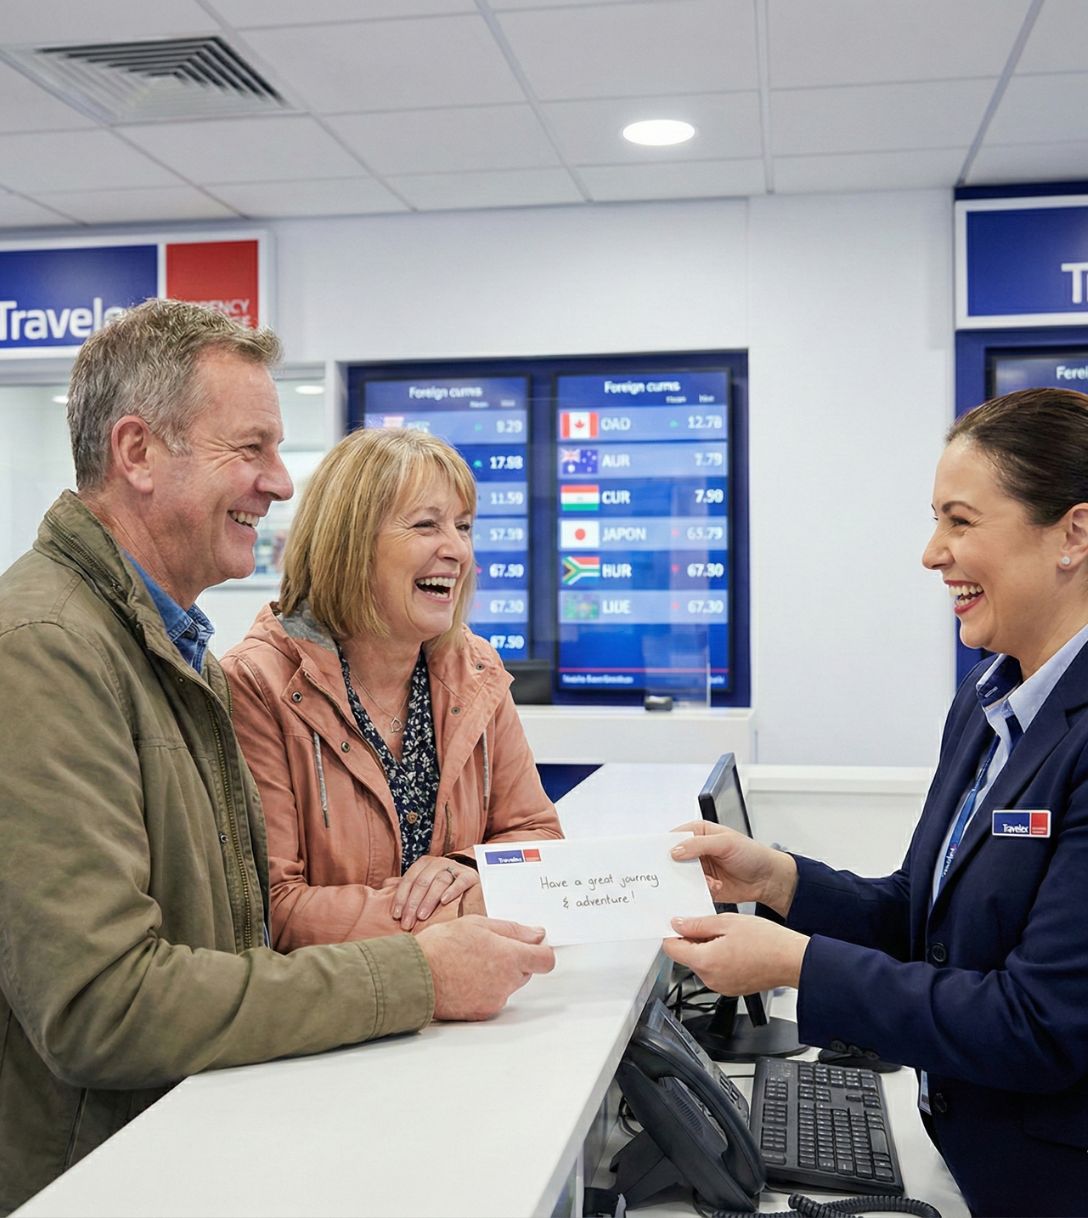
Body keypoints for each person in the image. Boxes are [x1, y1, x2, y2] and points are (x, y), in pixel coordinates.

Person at [0, 299, 555, 1216]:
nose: (280, 484)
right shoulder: (45, 649)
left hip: (199, 1134)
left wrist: (461, 879)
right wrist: (420, 973)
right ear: (137, 454)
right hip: (100, 1178)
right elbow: (107, 1003)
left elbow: (231, 926)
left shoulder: (162, 648)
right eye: (250, 449)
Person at [665, 386, 1088, 1218]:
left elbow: (1041, 1024)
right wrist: (778, 880)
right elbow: (924, 927)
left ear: (1073, 533)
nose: (934, 553)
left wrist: (795, 965)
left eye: (961, 522)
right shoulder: (988, 703)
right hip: (967, 1158)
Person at [221, 426, 562, 949]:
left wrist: (470, 869)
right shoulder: (256, 684)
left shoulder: (475, 669)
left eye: (464, 527)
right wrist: (465, 908)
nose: (457, 551)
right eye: (427, 525)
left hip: (479, 1008)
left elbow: (538, 837)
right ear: (349, 544)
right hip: (344, 1019)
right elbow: (273, 910)